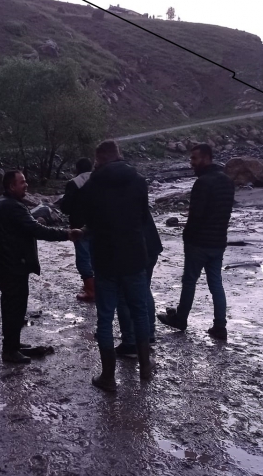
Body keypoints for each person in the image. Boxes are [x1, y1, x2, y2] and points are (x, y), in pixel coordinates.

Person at [81, 139, 154, 390]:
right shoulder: (139, 180)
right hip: (134, 255)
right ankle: (145, 367)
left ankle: (108, 377)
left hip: (105, 258)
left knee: (105, 316)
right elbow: (143, 218)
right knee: (139, 311)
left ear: (99, 158)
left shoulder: (92, 185)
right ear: (118, 154)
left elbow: (89, 222)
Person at [0, 170, 82, 364]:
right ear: (11, 186)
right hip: (13, 266)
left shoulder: (3, 203)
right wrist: (66, 234)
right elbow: (36, 230)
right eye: (22, 182)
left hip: (8, 264)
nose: (26, 185)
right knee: (14, 307)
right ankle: (9, 350)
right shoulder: (13, 206)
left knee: (13, 306)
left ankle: (13, 344)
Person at [157, 143, 235, 340]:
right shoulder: (227, 181)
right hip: (219, 241)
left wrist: (187, 235)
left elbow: (196, 216)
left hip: (199, 242)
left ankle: (181, 319)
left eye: (194, 158)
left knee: (189, 281)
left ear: (206, 158)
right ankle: (220, 326)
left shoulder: (202, 183)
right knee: (216, 284)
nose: (191, 163)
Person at [115, 211, 163, 357]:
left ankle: (130, 343)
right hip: (150, 244)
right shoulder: (137, 196)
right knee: (144, 289)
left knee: (124, 295)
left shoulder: (113, 200)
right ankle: (148, 335)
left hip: (132, 250)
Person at [60, 157, 95, 301]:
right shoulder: (99, 179)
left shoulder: (74, 183)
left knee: (83, 258)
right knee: (98, 256)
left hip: (79, 226)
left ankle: (90, 290)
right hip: (100, 225)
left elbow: (66, 207)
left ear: (77, 168)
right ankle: (99, 285)